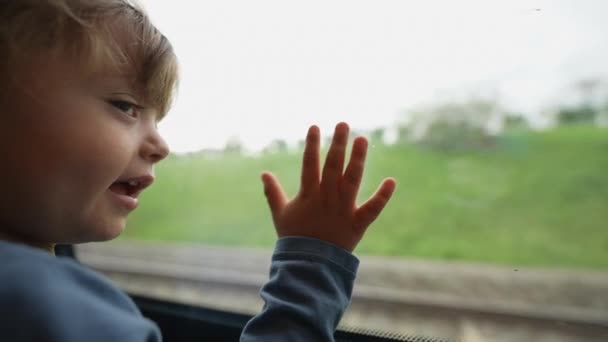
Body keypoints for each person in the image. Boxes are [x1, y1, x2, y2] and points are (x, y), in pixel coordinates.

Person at [0, 1, 397, 341]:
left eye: (159, 119)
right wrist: (312, 263)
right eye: (125, 106)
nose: (161, 146)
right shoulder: (51, 308)